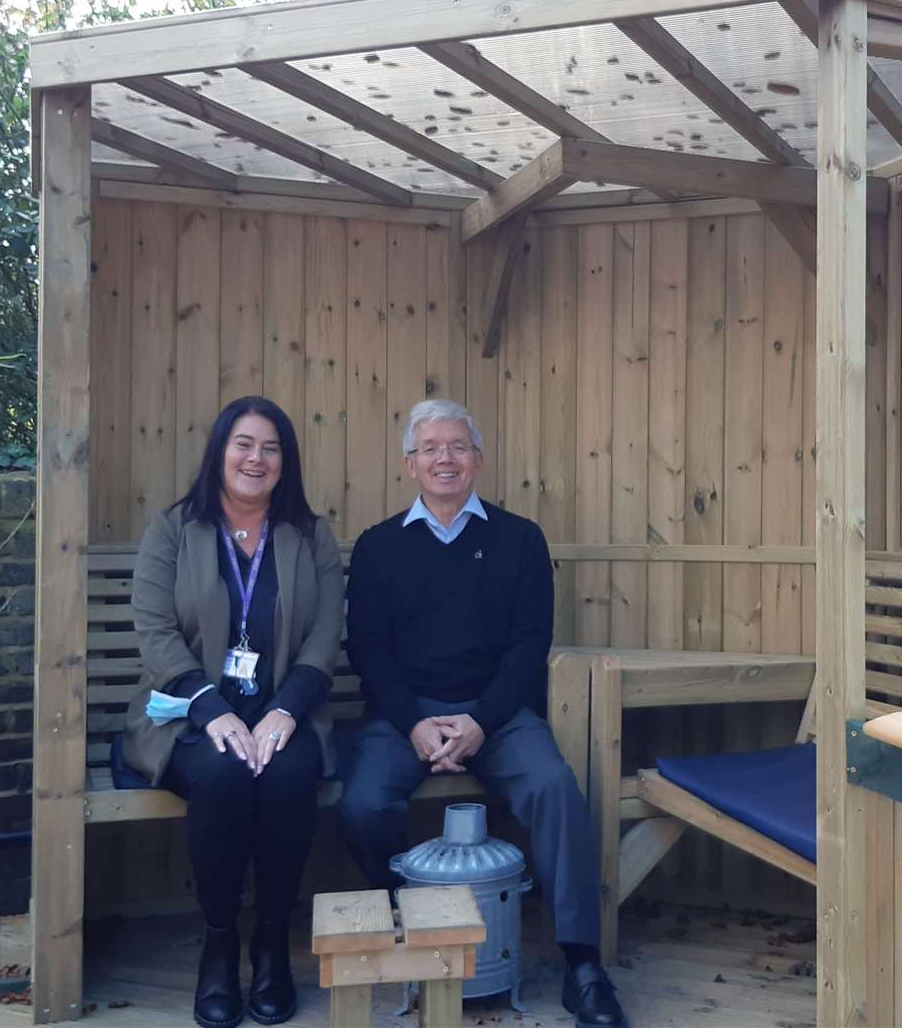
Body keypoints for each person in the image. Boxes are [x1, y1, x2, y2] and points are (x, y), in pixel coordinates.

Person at [340, 398, 628, 1028]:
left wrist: (480, 723)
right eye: (431, 449)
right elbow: (367, 647)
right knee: (361, 803)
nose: (446, 458)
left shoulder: (519, 539)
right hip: (402, 717)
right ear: (409, 464)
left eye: (458, 446)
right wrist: (414, 722)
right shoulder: (377, 546)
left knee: (555, 787)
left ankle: (583, 965)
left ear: (477, 458)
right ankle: (402, 922)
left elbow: (531, 645)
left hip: (496, 717)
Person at [119, 396, 343, 1028]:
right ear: (220, 451)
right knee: (221, 776)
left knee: (288, 775)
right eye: (244, 444)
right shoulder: (173, 530)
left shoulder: (311, 536)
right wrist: (211, 709)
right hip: (187, 713)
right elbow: (156, 632)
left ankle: (271, 945)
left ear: (285, 462)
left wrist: (287, 712)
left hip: (282, 710)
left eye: (271, 448)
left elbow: (325, 636)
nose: (256, 458)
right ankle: (219, 946)